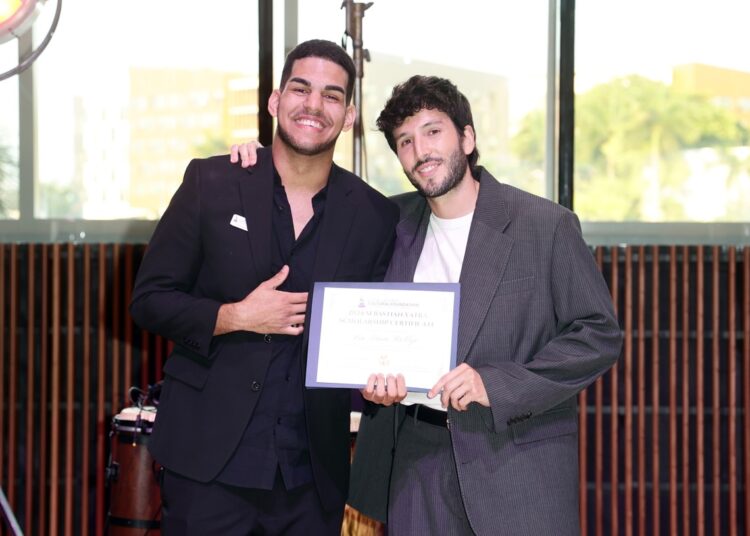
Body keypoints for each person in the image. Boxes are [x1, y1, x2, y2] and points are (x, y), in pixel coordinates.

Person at [233, 75, 622, 535]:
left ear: (468, 137)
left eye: (433, 131)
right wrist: (260, 166)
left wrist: (494, 384)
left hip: (517, 462)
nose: (421, 151)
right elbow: (310, 200)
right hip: (416, 462)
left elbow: (597, 334)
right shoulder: (388, 221)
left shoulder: (544, 225)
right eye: (405, 141)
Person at [129, 39, 399, 535]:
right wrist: (233, 317)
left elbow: (371, 336)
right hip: (207, 465)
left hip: (311, 476)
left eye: (331, 95)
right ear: (275, 101)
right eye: (301, 89)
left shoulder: (375, 215)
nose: (313, 105)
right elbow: (148, 300)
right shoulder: (211, 182)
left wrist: (378, 381)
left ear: (350, 116)